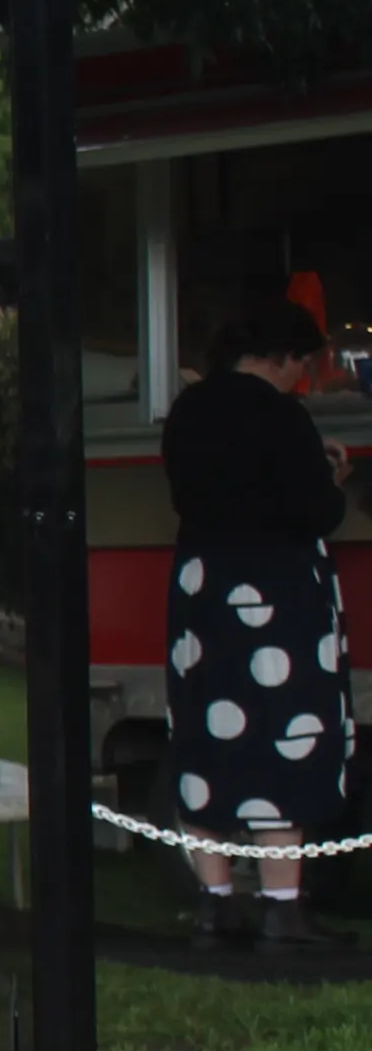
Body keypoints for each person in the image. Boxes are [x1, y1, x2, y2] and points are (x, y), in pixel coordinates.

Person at [162, 299, 356, 948]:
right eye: (301, 364)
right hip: (277, 598)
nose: (300, 377)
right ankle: (282, 907)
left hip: (204, 591)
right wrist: (333, 476)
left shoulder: (189, 410)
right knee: (284, 736)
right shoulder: (281, 415)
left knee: (208, 739)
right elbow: (314, 510)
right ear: (282, 357)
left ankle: (216, 903)